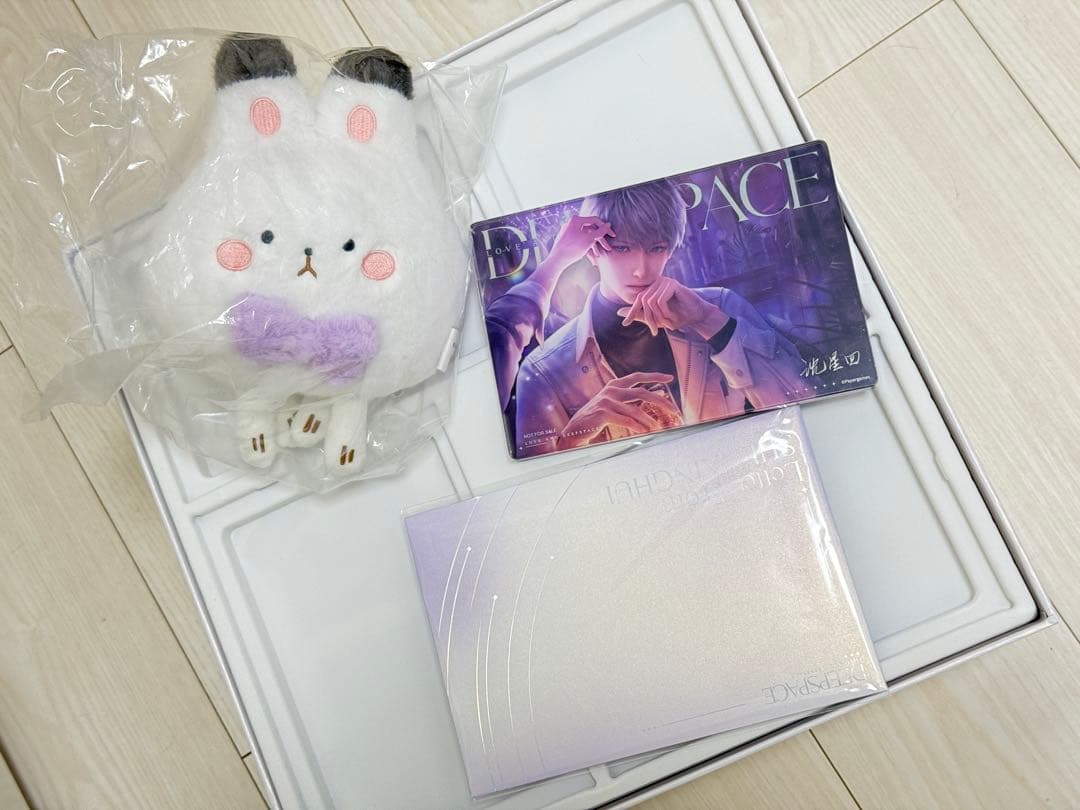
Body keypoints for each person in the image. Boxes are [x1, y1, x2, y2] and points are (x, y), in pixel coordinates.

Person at [512, 178, 809, 456]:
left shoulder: (720, 306)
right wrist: (574, 436)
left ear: (671, 249)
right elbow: (541, 479)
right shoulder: (544, 371)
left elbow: (801, 399)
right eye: (622, 248)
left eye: (656, 248)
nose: (641, 270)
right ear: (591, 252)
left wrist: (710, 322)